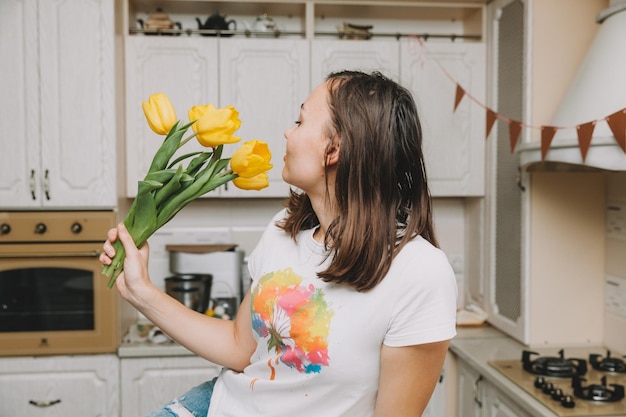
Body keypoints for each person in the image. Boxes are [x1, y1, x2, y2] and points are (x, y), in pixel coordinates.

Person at [101, 70, 457, 417]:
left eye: (300, 122)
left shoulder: (419, 272)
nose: (287, 132)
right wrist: (140, 291)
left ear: (335, 148)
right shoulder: (282, 230)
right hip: (215, 405)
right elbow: (239, 348)